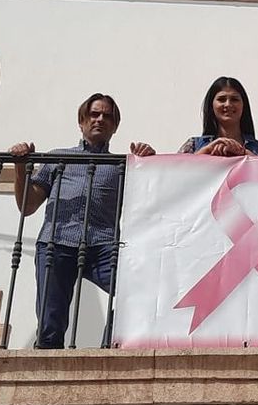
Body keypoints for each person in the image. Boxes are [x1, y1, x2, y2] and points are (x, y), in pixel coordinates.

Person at [9, 93, 155, 349]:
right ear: (82, 121)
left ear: (115, 125)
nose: (100, 119)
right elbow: (27, 205)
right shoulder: (58, 158)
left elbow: (148, 202)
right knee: (49, 325)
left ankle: (108, 351)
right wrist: (20, 167)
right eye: (94, 114)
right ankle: (45, 377)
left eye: (107, 116)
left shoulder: (123, 165)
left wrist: (149, 164)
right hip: (56, 244)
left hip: (103, 246)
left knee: (137, 292)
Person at [178, 76, 258, 157]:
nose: (228, 104)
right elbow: (176, 174)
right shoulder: (193, 146)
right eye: (221, 99)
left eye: (234, 99)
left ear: (243, 106)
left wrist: (243, 153)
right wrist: (206, 151)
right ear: (211, 106)